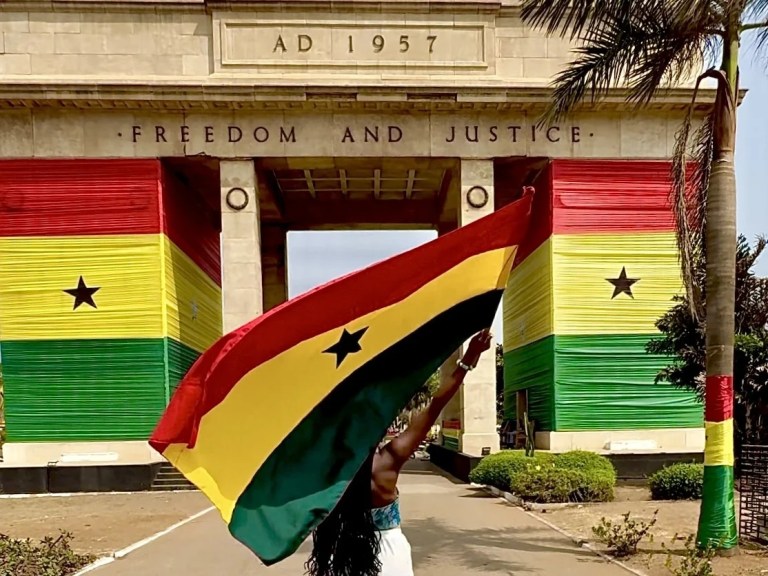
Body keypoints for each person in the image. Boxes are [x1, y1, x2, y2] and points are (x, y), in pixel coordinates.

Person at [305, 330, 493, 576]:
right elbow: (435, 405)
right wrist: (468, 359)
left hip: (341, 552)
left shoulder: (328, 470)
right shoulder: (386, 462)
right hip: (388, 555)